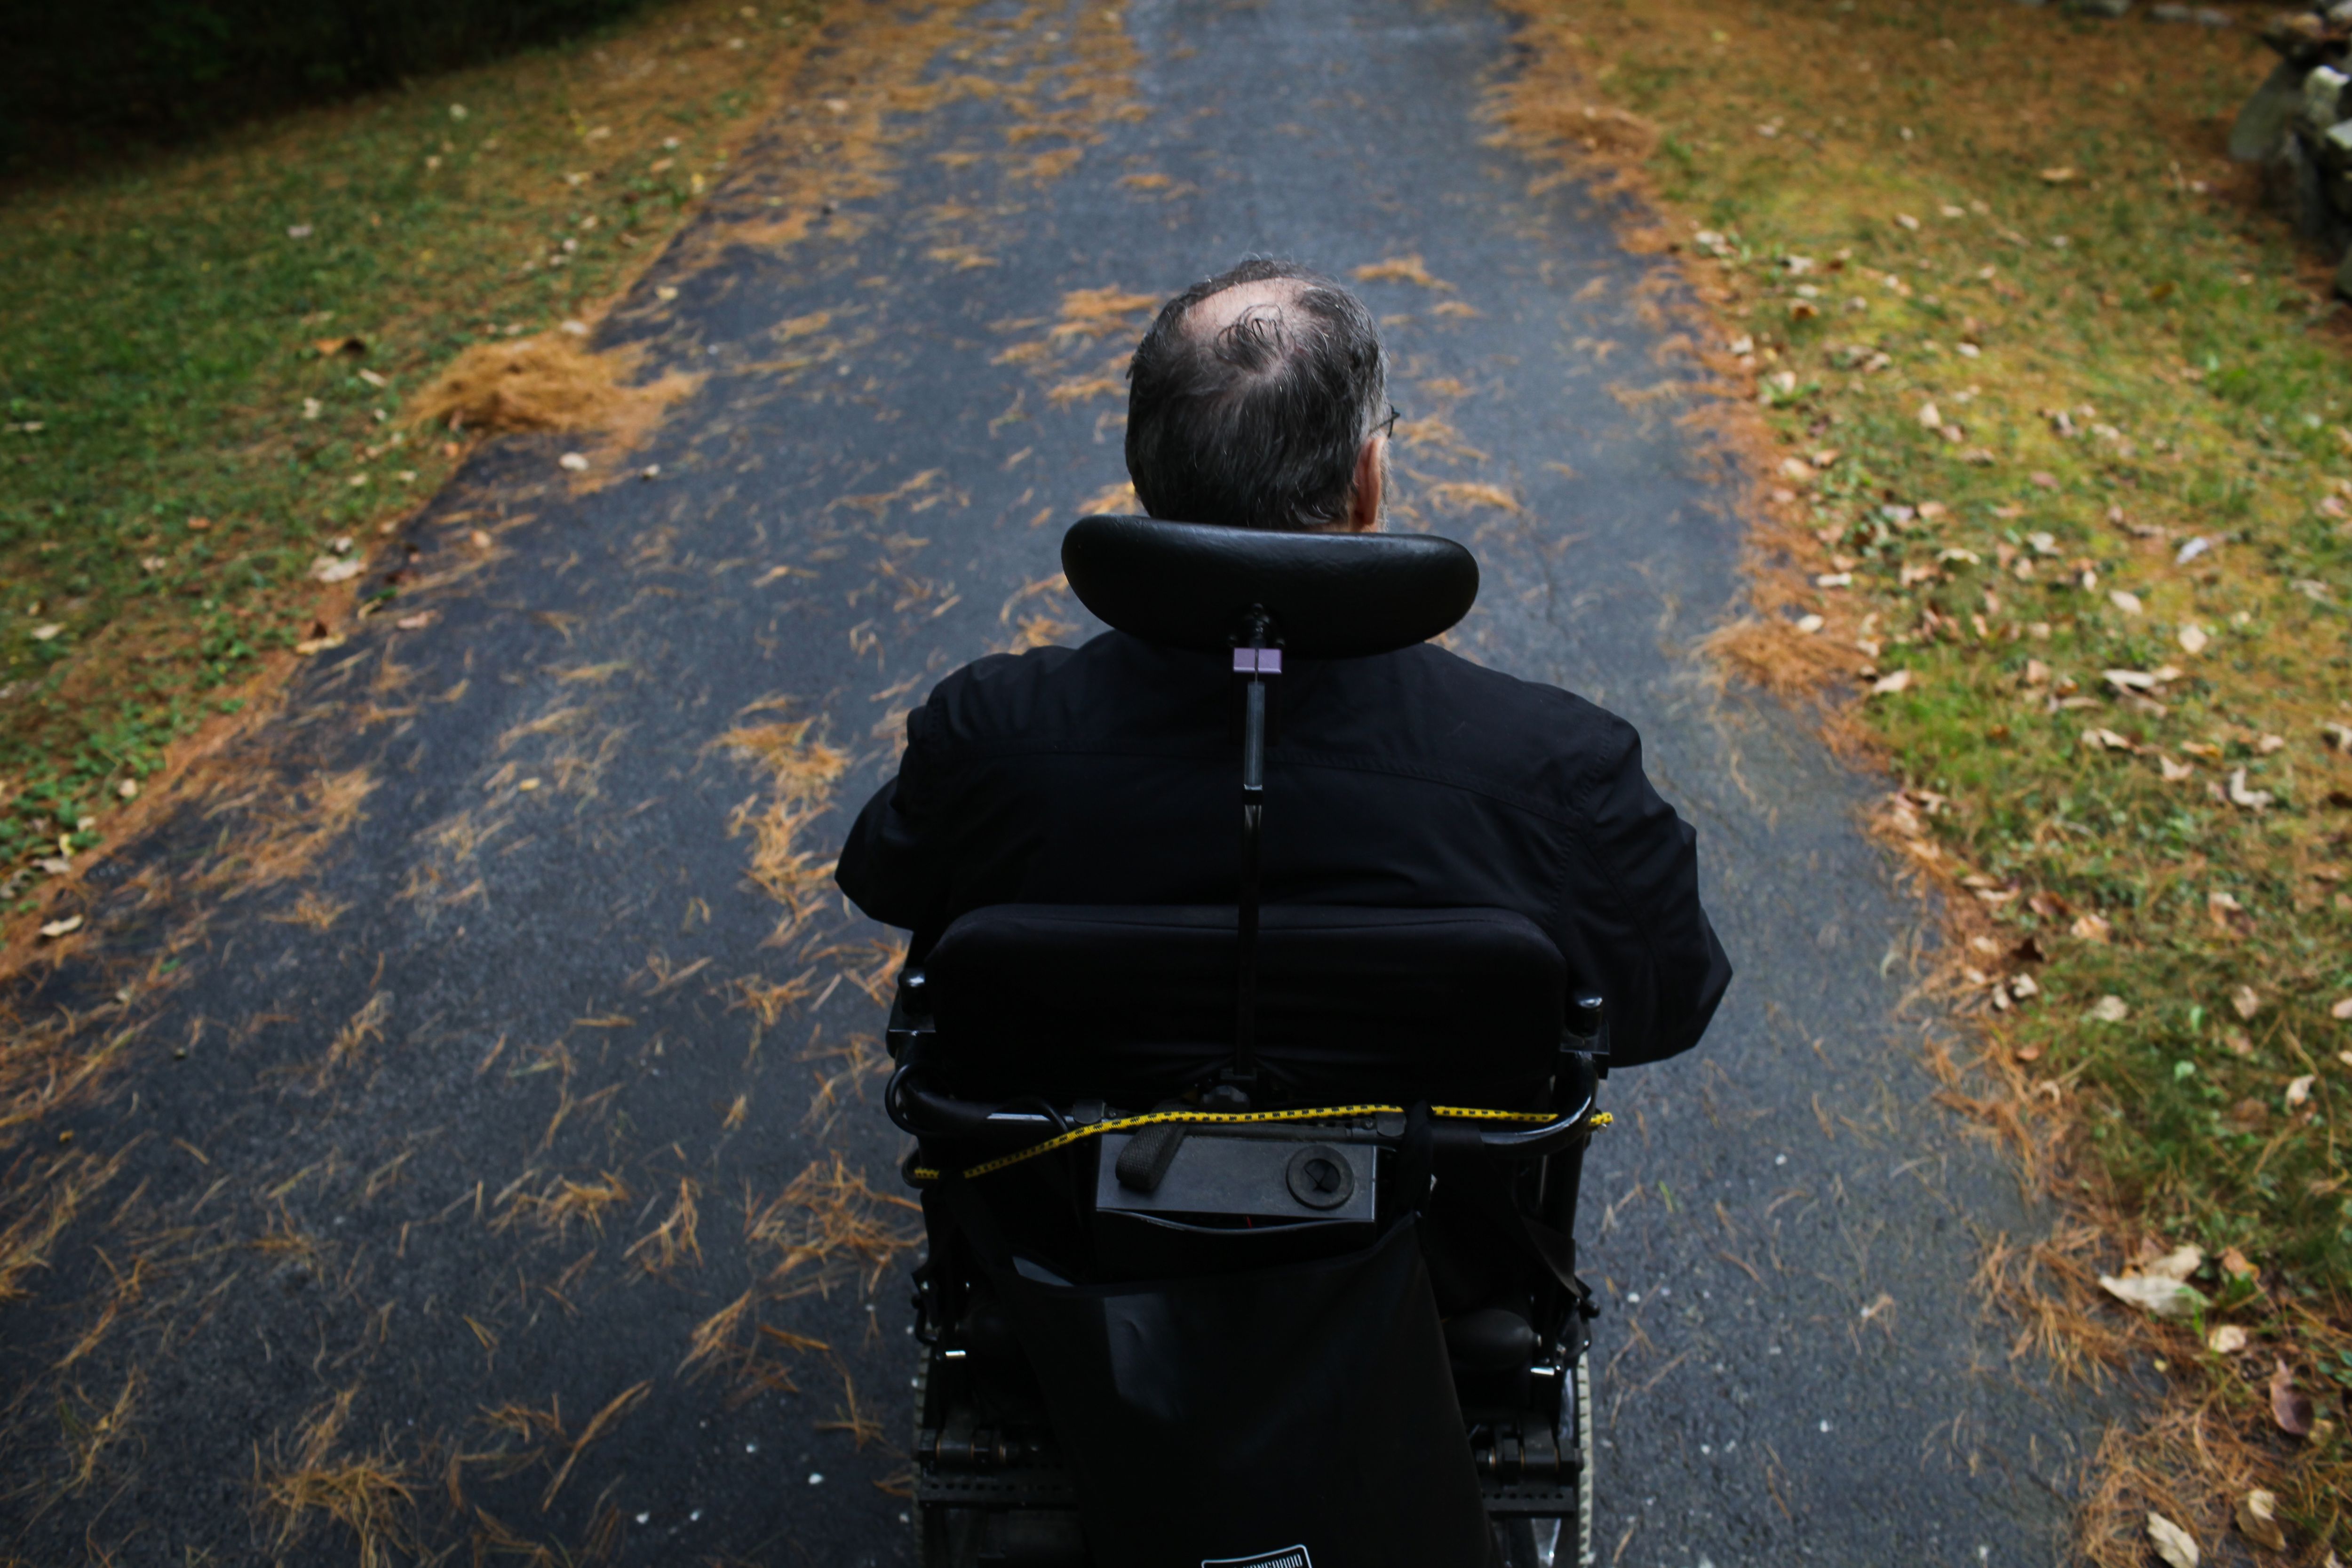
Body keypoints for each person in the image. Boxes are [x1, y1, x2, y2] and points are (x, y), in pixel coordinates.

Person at [835, 257, 1729, 1069]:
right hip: (1431, 1192)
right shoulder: (1564, 770)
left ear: (1145, 478)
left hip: (1059, 1185)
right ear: (1368, 479)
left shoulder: (986, 731)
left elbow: (888, 880)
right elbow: (1666, 1004)